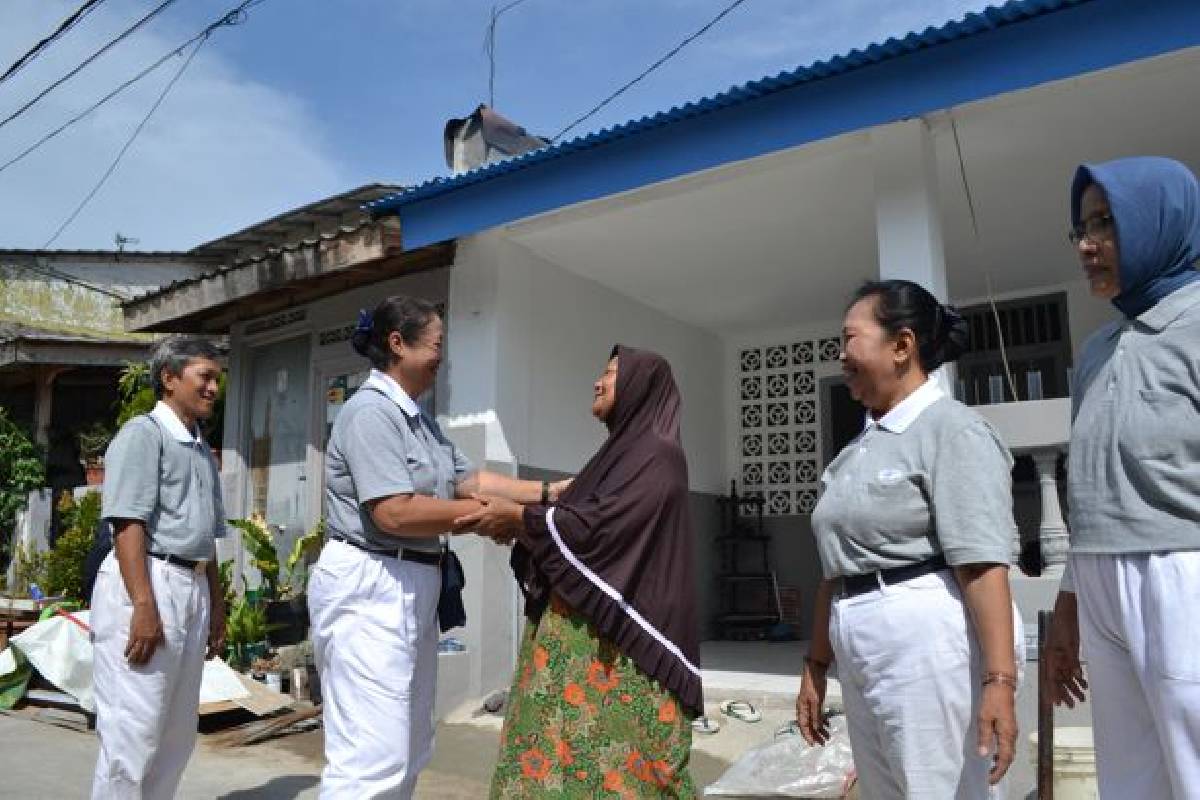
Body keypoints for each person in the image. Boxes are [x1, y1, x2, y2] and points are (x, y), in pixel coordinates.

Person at [309, 295, 568, 799]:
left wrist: (547, 494)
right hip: (370, 583)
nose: (441, 359)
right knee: (371, 755)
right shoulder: (369, 413)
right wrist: (490, 519)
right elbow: (394, 511)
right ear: (397, 343)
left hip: (410, 582)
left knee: (409, 743)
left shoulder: (417, 419)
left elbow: (468, 479)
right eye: (436, 346)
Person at [796, 280, 1020, 799]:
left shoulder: (952, 430)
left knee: (938, 789)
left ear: (902, 346)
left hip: (923, 638)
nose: (841, 354)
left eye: (850, 339)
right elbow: (836, 568)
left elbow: (982, 566)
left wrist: (1000, 682)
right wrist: (816, 663)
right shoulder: (857, 449)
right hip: (860, 638)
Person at [458, 345, 701, 799]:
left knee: (624, 769)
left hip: (622, 649)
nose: (598, 381)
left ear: (638, 387)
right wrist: (523, 521)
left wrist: (520, 519)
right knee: (556, 761)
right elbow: (574, 518)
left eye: (611, 373)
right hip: (572, 646)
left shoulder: (658, 455)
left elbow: (601, 530)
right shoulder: (618, 456)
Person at [1044, 156, 1200, 798]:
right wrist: (1067, 606)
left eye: (1106, 224)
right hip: (1101, 580)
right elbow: (1089, 490)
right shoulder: (1097, 352)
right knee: (1131, 779)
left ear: (1160, 222)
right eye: (1080, 229)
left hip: (1181, 574)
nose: (1087, 246)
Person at [91, 336, 226, 799]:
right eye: (204, 377)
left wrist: (218, 606)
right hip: (149, 579)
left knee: (175, 733)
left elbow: (206, 535)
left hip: (191, 584)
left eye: (216, 379)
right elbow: (128, 523)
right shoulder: (143, 435)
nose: (213, 387)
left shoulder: (200, 449)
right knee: (134, 729)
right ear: (169, 378)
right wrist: (142, 605)